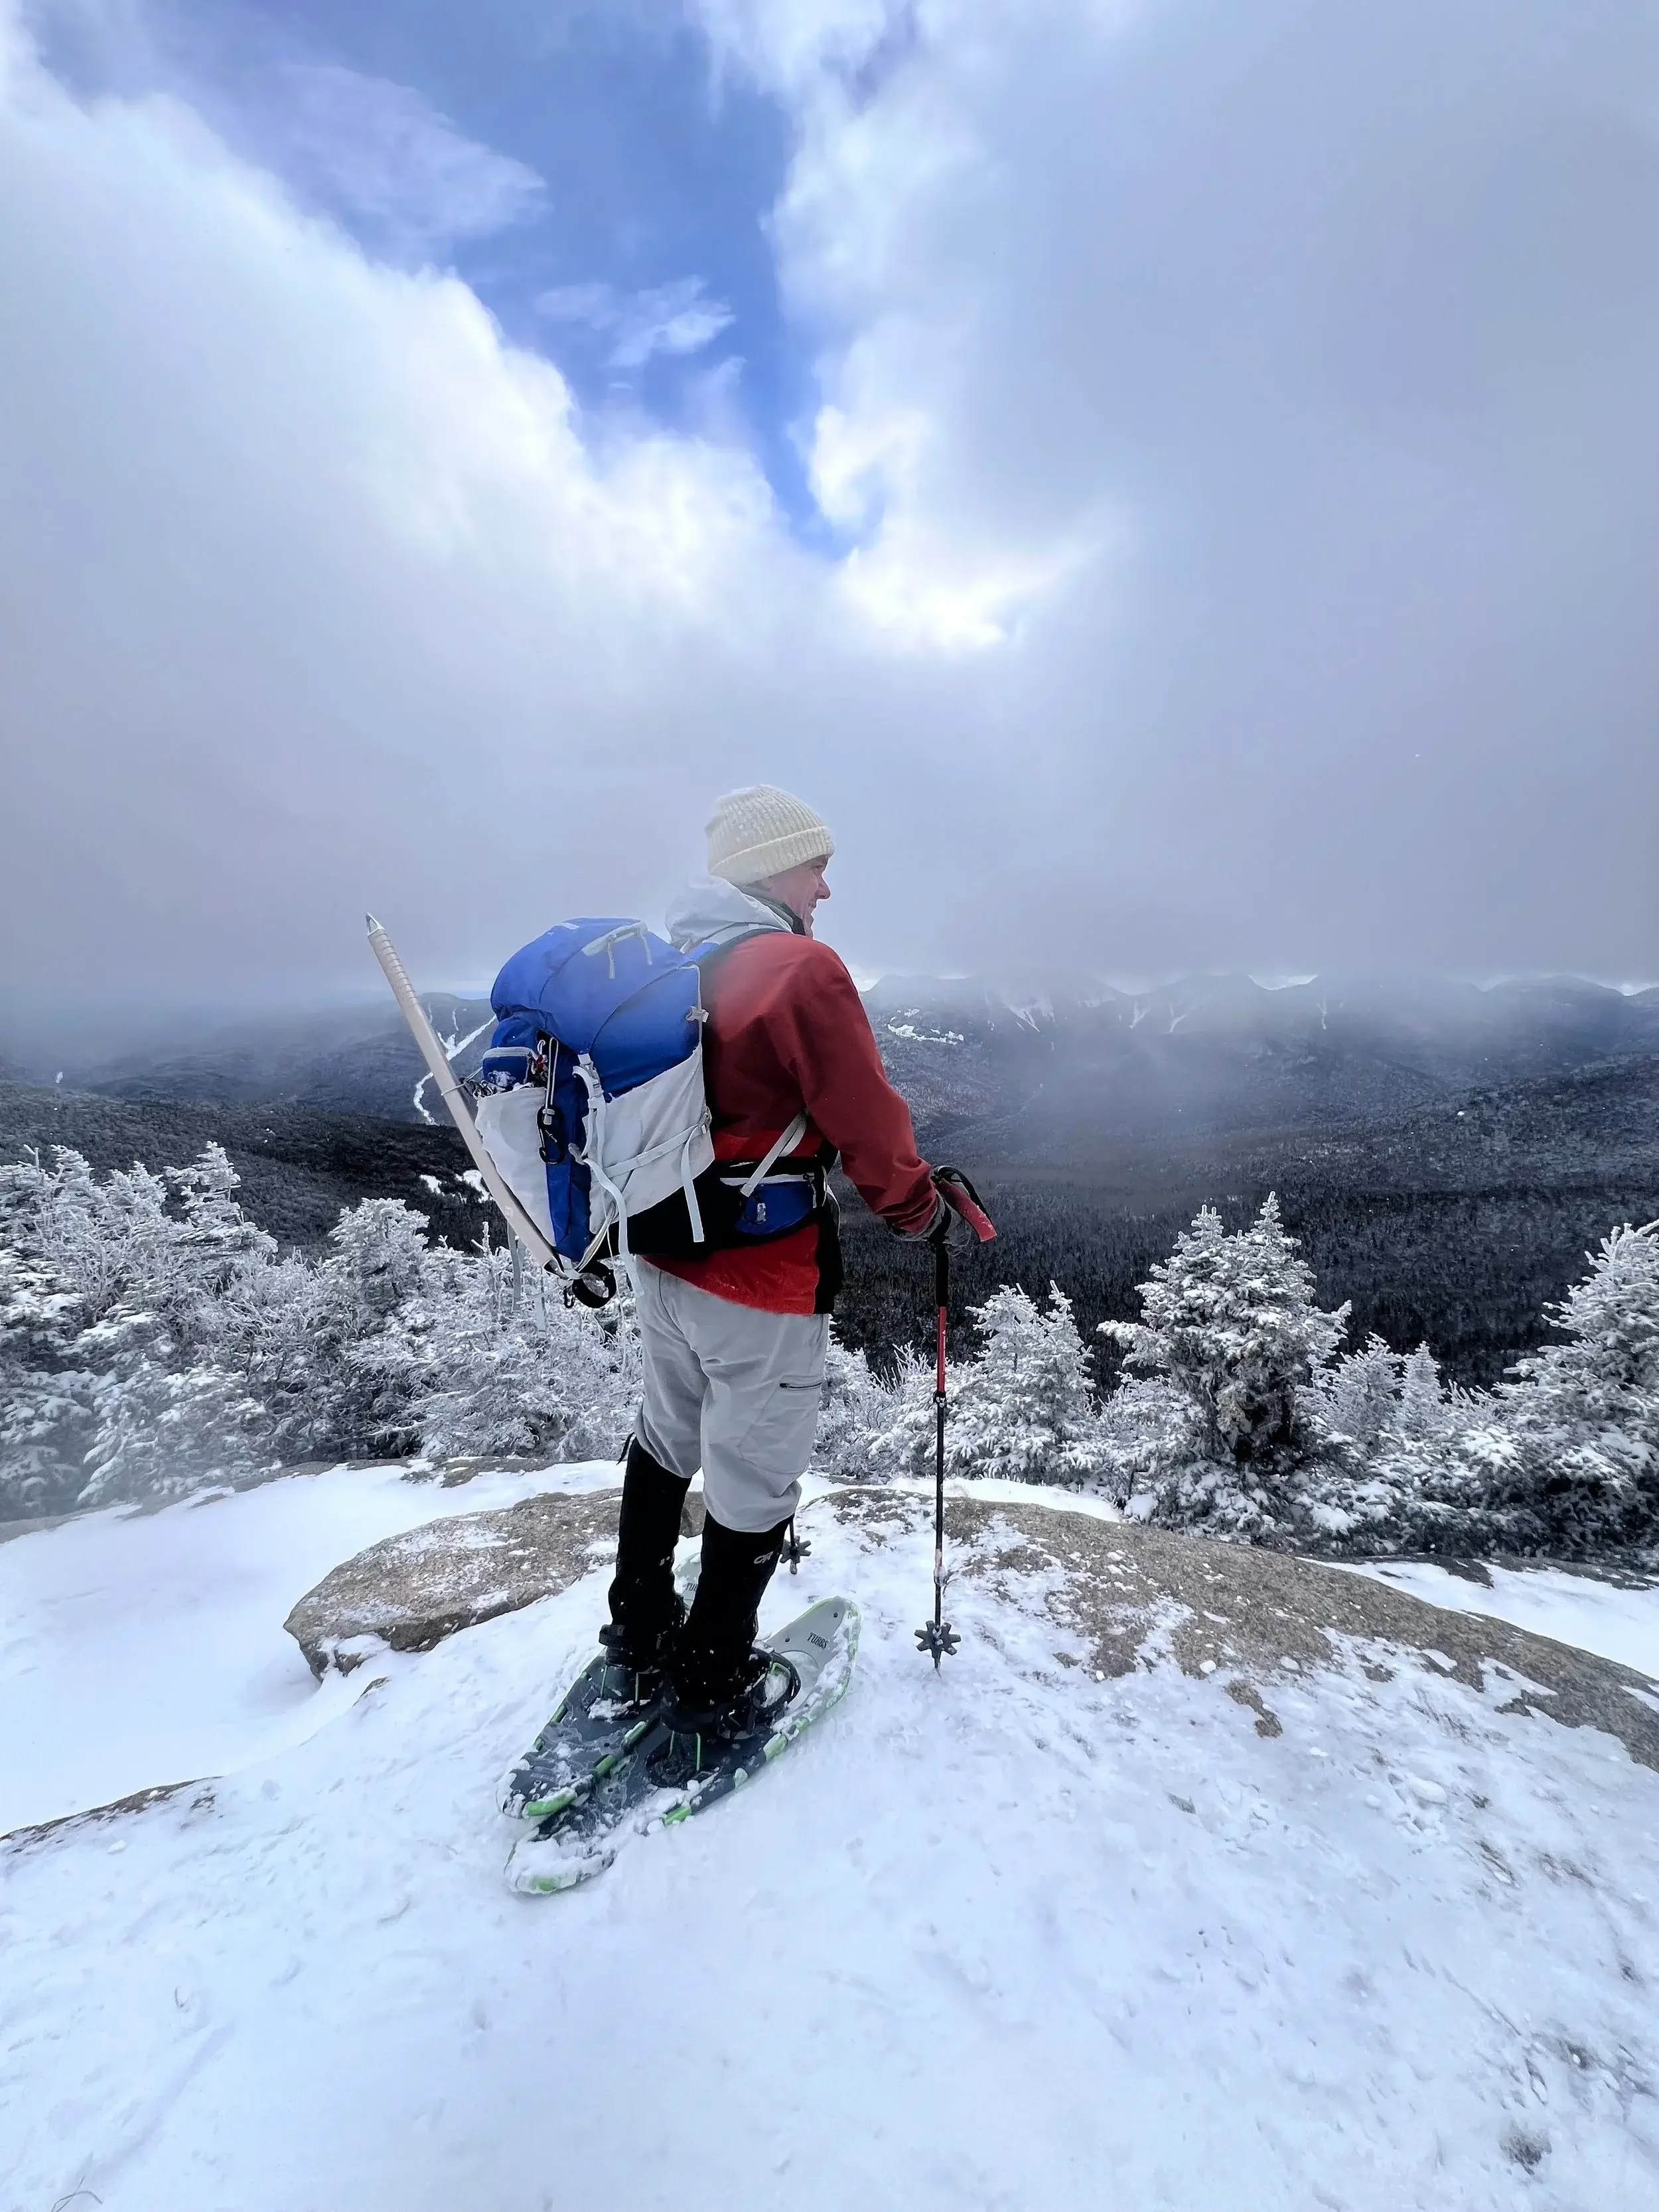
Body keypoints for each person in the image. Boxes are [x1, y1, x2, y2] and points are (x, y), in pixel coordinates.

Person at [599, 784, 985, 1745]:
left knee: (665, 1436)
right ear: (771, 866)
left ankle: (638, 1632)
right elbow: (867, 1118)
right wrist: (918, 1211)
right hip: (760, 1276)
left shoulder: (670, 963)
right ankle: (713, 1681)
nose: (826, 888)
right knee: (755, 1475)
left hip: (661, 1256)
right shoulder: (799, 971)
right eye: (817, 865)